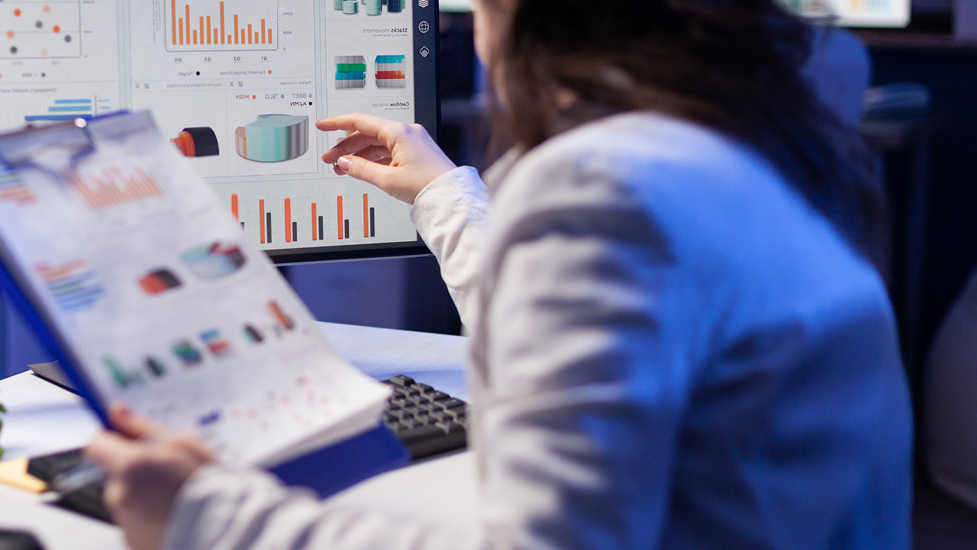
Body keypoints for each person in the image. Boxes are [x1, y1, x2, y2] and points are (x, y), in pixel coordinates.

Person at [86, 0, 913, 547]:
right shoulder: (739, 150)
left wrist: (206, 516)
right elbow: (601, 363)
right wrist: (447, 196)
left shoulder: (605, 182)